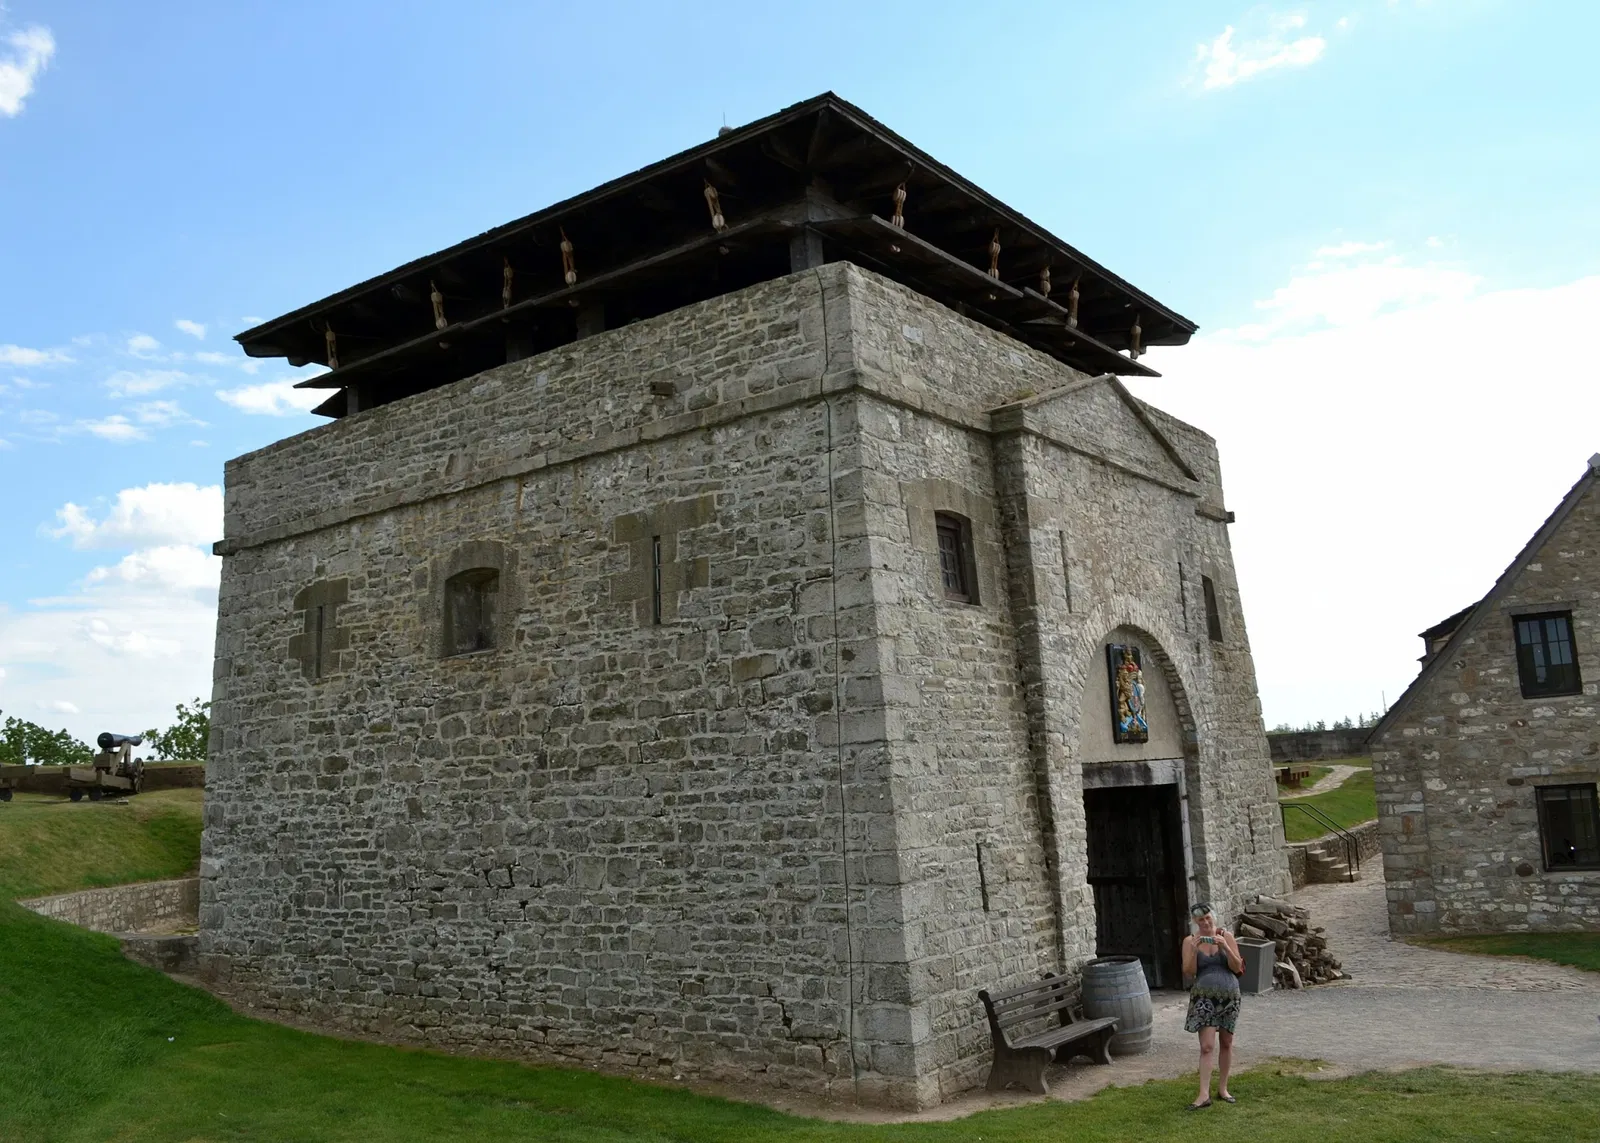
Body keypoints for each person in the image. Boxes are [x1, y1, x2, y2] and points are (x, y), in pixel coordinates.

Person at [1181, 902, 1244, 1110]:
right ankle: (1203, 1094)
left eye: (1208, 918)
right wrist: (1193, 950)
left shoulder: (1226, 936)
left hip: (1229, 997)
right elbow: (1189, 972)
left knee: (1226, 1042)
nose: (1205, 923)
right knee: (1206, 1046)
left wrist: (1225, 947)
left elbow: (1237, 967)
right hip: (1204, 999)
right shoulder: (1190, 941)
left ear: (1213, 917)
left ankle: (1223, 1089)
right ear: (1195, 922)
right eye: (1201, 920)